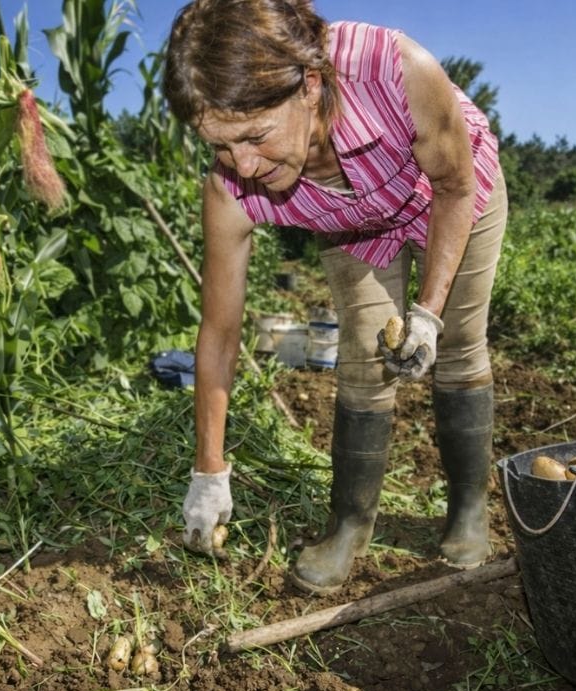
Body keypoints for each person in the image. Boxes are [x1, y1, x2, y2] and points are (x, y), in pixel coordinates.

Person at [163, 0, 507, 596]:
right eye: (220, 146)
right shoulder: (230, 190)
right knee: (364, 359)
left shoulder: (394, 70)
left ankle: (468, 512)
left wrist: (426, 316)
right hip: (353, 223)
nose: (242, 164)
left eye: (255, 136)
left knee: (457, 345)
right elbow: (218, 332)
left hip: (450, 195)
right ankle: (349, 526)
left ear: (310, 86)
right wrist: (208, 469)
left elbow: (452, 184)